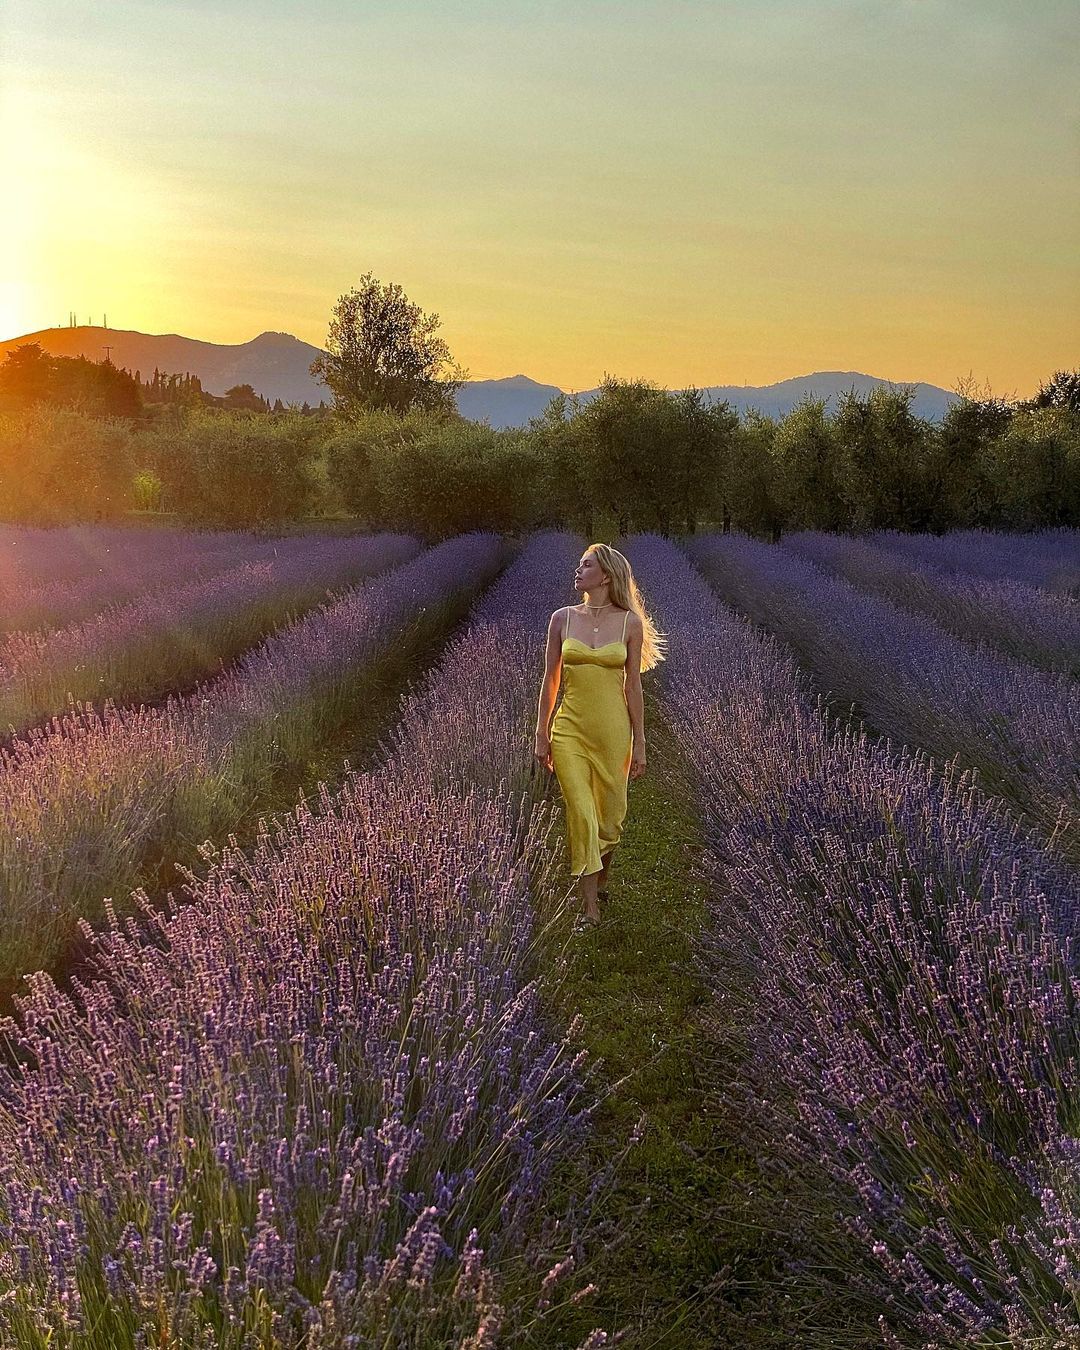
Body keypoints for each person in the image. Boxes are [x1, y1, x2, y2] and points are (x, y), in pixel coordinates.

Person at [534, 543, 667, 929]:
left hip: (612, 731)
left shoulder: (630, 623)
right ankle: (590, 907)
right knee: (582, 813)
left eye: (586, 565)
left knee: (610, 819)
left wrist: (640, 741)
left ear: (606, 576)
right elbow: (550, 681)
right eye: (579, 564)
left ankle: (600, 875)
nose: (578, 570)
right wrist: (541, 733)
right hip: (569, 729)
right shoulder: (561, 619)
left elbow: (633, 688)